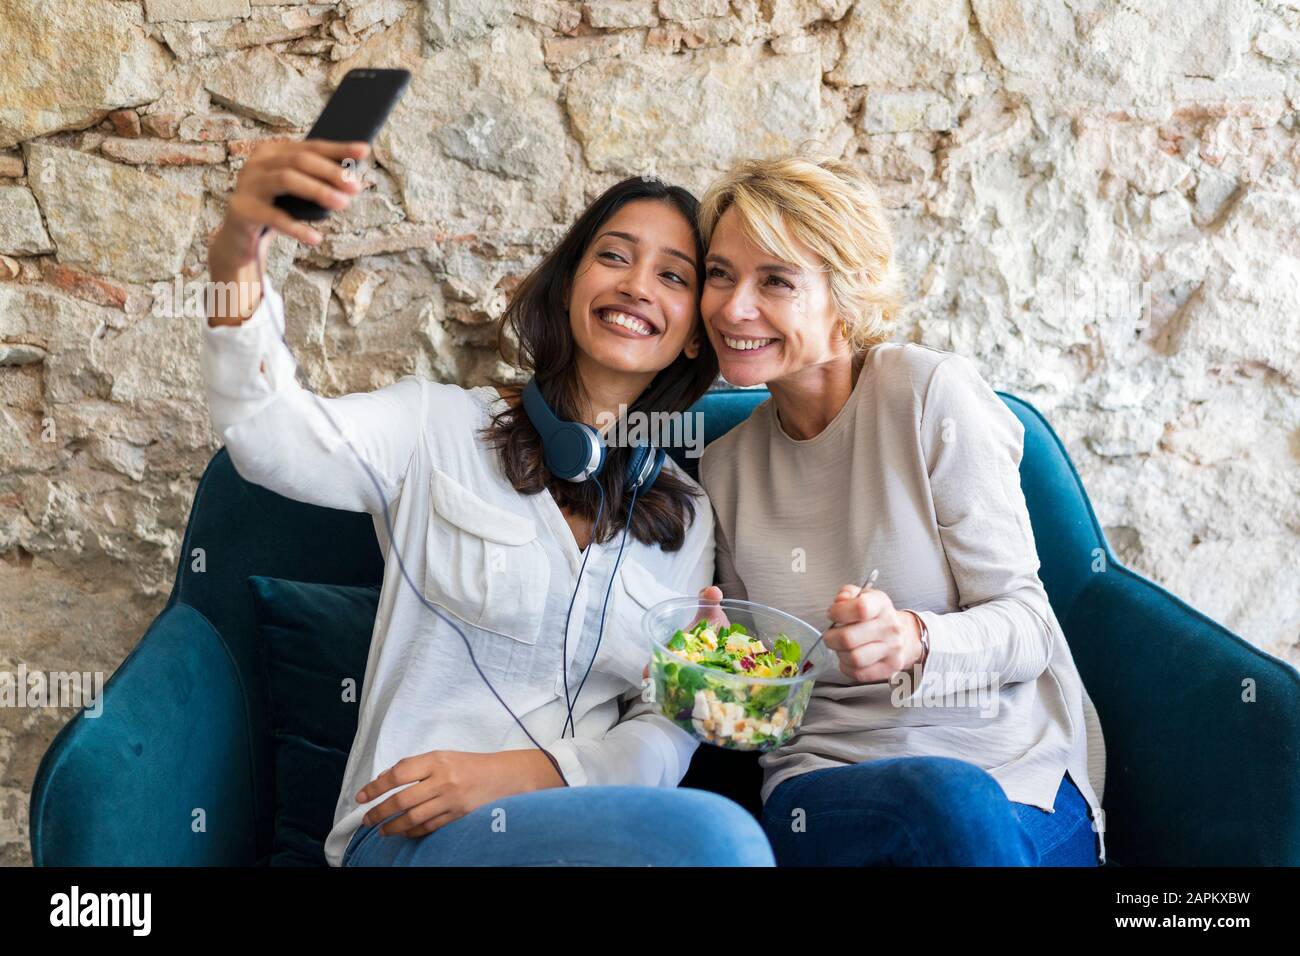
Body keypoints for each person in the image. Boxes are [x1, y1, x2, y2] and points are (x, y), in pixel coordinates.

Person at [200, 138, 774, 867]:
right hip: (412, 835)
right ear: (568, 285)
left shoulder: (685, 514)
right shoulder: (434, 427)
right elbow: (266, 435)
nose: (637, 285)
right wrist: (236, 248)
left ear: (696, 334)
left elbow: (665, 726)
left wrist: (528, 776)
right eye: (614, 256)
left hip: (585, 833)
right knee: (718, 842)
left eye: (673, 275)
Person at [691, 151, 1107, 866]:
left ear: (846, 301)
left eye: (776, 281)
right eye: (720, 274)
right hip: (830, 791)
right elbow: (768, 709)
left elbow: (1029, 625)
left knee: (959, 808)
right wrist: (725, 672)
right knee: (940, 806)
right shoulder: (726, 467)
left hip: (1013, 780)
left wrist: (916, 640)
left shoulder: (928, 397)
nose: (732, 307)